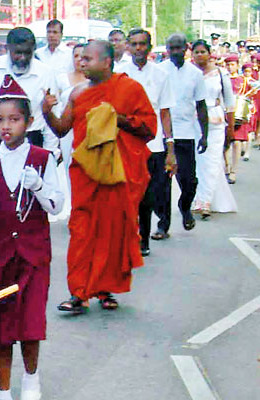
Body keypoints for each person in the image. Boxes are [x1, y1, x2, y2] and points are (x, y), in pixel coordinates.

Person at [42, 40, 156, 311]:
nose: (82, 63)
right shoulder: (77, 94)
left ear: (107, 62)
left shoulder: (129, 89)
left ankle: (105, 289)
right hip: (85, 174)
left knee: (112, 232)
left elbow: (149, 128)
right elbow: (61, 129)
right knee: (81, 231)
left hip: (116, 175)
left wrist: (119, 119)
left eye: (88, 59)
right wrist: (46, 111)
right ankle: (78, 293)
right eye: (80, 58)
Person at [0, 76, 64, 400]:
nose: (6, 127)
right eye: (0, 120)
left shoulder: (42, 159)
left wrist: (38, 186)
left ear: (29, 122)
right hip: (0, 255)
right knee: (1, 327)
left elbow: (57, 206)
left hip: (33, 256)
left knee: (30, 325)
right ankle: (3, 390)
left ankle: (31, 380)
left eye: (14, 120)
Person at [116, 29, 175, 255]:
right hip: (125, 144)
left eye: (142, 44)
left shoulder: (161, 75)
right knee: (124, 194)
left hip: (153, 146)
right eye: (134, 44)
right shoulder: (119, 74)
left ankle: (143, 240)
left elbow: (165, 112)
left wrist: (170, 147)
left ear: (149, 47)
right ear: (128, 47)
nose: (138, 48)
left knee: (147, 196)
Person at [0, 28, 59, 152]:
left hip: (32, 141)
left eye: (27, 53)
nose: (22, 58)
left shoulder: (46, 73)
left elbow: (52, 113)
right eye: (18, 53)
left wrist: (50, 151)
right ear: (8, 48)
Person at [159, 33, 209, 232]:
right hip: (163, 134)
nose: (176, 52)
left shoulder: (195, 74)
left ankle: (185, 206)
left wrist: (205, 135)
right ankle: (163, 225)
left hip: (187, 133)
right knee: (163, 184)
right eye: (172, 48)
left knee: (189, 181)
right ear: (167, 49)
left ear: (186, 49)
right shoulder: (160, 71)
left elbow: (201, 105)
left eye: (180, 48)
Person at [190, 41, 238, 218]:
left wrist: (231, 127)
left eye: (203, 52)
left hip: (216, 121)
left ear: (209, 54)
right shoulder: (190, 73)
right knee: (198, 162)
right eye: (196, 52)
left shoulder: (220, 73)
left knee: (211, 161)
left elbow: (230, 102)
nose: (200, 55)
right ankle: (199, 197)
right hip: (194, 122)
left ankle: (205, 202)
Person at [51, 43, 90, 222]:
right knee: (71, 170)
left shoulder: (94, 80)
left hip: (90, 132)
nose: (80, 60)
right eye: (76, 56)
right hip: (68, 132)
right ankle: (76, 210)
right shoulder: (61, 79)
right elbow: (56, 107)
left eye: (84, 56)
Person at [225, 55, 251, 184]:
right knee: (225, 144)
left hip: (238, 114)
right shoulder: (222, 79)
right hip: (225, 114)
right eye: (228, 65)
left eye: (233, 64)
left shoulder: (243, 80)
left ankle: (234, 170)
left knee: (237, 142)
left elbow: (249, 96)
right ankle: (226, 167)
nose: (230, 67)